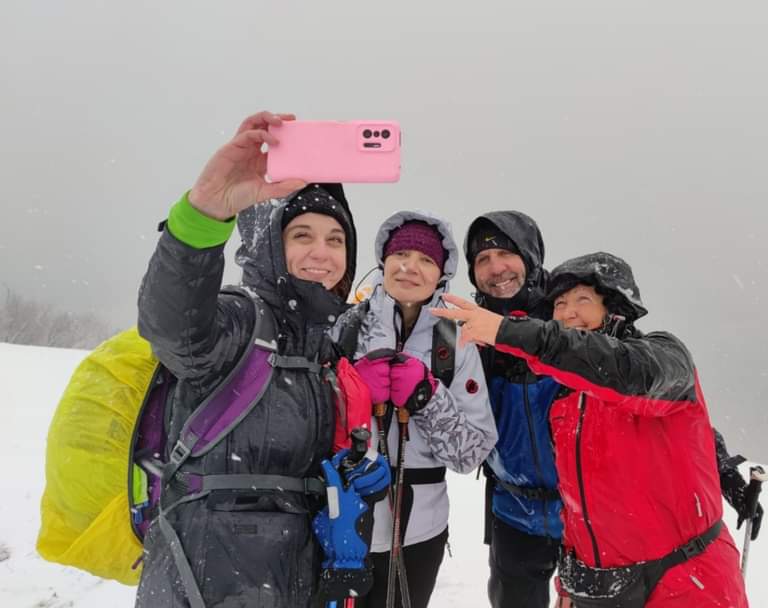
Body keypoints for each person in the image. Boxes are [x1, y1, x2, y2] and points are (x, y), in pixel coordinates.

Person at [135, 111, 388, 607]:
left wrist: (350, 476)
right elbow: (172, 325)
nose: (322, 252)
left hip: (292, 583)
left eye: (336, 240)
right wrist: (204, 215)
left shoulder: (323, 348)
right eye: (302, 235)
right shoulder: (239, 321)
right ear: (271, 247)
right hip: (205, 583)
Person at [432, 252, 750, 607]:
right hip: (603, 589)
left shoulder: (663, 354)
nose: (568, 313)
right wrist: (571, 581)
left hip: (686, 582)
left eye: (582, 300)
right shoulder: (565, 401)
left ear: (615, 308)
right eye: (560, 304)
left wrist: (508, 332)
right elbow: (577, 503)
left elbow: (627, 374)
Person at [342, 211, 499, 608]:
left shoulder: (456, 342)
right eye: (401, 254)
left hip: (419, 534)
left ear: (441, 274)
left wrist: (427, 398)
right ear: (384, 261)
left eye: (426, 259)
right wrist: (353, 394)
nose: (410, 267)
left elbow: (470, 455)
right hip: (342, 522)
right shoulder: (346, 328)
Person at [461, 212, 565, 608]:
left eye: (506, 253)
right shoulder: (468, 335)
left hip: (588, 509)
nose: (495, 268)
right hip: (513, 511)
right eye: (482, 260)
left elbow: (645, 390)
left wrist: (719, 461)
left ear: (530, 256)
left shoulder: (570, 314)